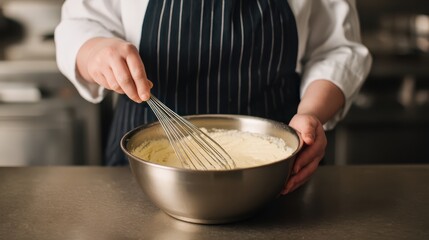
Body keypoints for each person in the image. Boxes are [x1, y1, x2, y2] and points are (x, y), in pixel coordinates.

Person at [55, 0, 372, 194]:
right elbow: (79, 24)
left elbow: (337, 49)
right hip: (142, 174)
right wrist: (93, 49)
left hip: (278, 176)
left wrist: (312, 113)